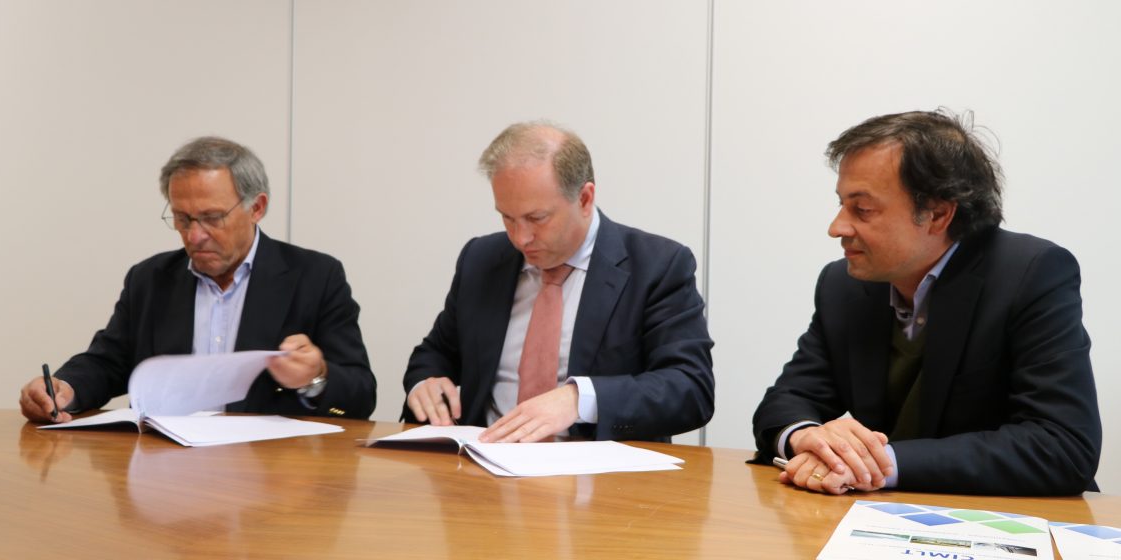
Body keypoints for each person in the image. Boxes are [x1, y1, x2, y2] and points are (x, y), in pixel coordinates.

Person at [752, 110, 1101, 496]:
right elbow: (789, 399)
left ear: (937, 214)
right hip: (878, 517)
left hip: (1008, 517)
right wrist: (808, 438)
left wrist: (878, 465)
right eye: (841, 205)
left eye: (862, 210)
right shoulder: (844, 285)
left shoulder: (1030, 274)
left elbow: (1062, 445)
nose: (837, 227)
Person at [19, 137, 376, 422]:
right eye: (183, 219)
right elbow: (108, 362)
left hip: (268, 474)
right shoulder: (150, 279)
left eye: (212, 218)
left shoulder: (315, 277)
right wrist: (64, 388)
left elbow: (361, 396)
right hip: (165, 467)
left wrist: (315, 378)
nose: (195, 236)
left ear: (257, 207)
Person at [403, 121, 714, 442]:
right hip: (484, 457)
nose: (520, 238)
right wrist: (426, 383)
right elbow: (436, 353)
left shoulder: (656, 266)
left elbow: (690, 388)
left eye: (537, 218)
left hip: (598, 467)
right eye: (507, 217)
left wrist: (581, 399)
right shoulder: (481, 259)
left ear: (585, 199)